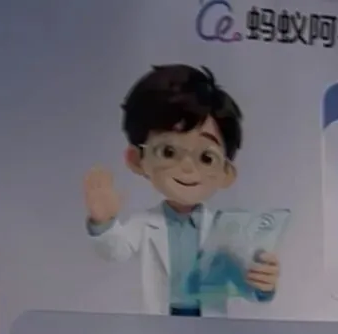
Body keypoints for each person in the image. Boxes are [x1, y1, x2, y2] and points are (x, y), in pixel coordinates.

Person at [83, 64, 280, 317]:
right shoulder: (145, 223)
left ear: (226, 172)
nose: (187, 167)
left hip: (208, 322)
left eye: (206, 158)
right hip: (162, 321)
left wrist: (262, 282)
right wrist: (103, 223)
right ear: (137, 159)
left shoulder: (224, 230)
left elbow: (239, 278)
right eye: (168, 152)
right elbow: (116, 250)